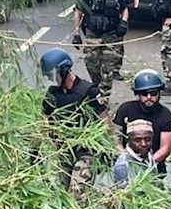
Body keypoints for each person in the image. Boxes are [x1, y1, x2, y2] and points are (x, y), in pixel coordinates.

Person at [39, 48, 117, 200]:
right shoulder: (52, 95)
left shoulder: (88, 91)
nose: (51, 79)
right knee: (63, 195)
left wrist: (114, 147)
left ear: (64, 70)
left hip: (87, 152)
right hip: (64, 151)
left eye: (53, 74)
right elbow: (43, 122)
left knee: (77, 194)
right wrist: (35, 150)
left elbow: (104, 120)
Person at [72, 0, 129, 104]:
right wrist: (76, 33)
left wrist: (124, 22)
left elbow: (124, 9)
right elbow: (78, 12)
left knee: (108, 68)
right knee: (91, 63)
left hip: (111, 35)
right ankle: (97, 87)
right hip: (93, 35)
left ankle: (103, 99)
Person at [112, 69, 171, 177]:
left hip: (153, 164)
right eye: (144, 93)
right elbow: (115, 137)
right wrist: (125, 158)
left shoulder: (166, 116)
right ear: (138, 94)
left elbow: (165, 148)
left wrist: (147, 165)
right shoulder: (125, 109)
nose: (149, 97)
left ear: (159, 93)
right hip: (125, 163)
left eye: (153, 93)